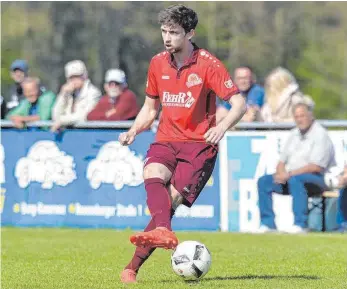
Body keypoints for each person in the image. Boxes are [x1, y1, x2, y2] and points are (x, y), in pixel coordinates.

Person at [118, 4, 246, 283]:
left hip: (199, 146)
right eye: (164, 31)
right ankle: (163, 230)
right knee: (152, 173)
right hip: (166, 138)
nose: (167, 38)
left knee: (171, 200)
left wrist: (222, 127)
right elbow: (149, 109)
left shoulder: (208, 64)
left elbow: (239, 103)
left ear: (190, 33)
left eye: (174, 32)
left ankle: (132, 267)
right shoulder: (157, 63)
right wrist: (133, 131)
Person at [257, 101, 335, 234]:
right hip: (291, 177)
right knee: (264, 181)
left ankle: (300, 224)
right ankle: (267, 224)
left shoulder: (320, 134)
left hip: (317, 179)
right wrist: (280, 173)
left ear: (311, 116)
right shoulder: (294, 134)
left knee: (297, 180)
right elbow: (282, 161)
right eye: (297, 116)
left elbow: (316, 167)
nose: (300, 119)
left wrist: (289, 174)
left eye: (302, 115)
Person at [51, 60, 101, 132]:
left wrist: (62, 121)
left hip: (86, 132)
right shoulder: (68, 93)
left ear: (84, 76)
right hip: (68, 133)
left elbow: (86, 116)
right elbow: (55, 115)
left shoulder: (94, 93)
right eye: (71, 78)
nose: (74, 80)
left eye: (77, 76)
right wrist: (63, 95)